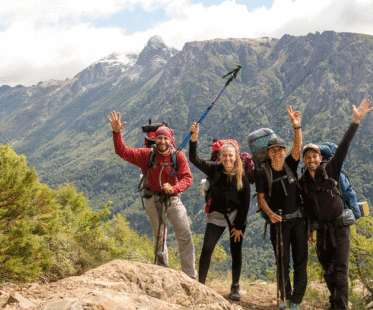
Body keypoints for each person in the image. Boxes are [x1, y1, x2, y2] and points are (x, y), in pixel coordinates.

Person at [299, 99, 373, 310]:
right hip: (322, 230)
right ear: (304, 161)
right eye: (308, 157)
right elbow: (308, 207)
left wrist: (355, 122)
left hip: (340, 227)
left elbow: (343, 147)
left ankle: (340, 307)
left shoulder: (329, 170)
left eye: (315, 156)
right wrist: (310, 229)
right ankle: (335, 303)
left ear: (320, 158)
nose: (311, 159)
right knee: (327, 269)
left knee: (341, 270)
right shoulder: (303, 181)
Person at [107, 111, 197, 279]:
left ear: (170, 140)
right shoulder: (146, 155)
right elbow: (122, 151)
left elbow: (187, 178)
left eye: (165, 138)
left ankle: (190, 276)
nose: (162, 141)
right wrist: (116, 132)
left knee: (184, 234)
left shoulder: (178, 157)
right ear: (155, 139)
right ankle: (164, 272)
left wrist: (175, 188)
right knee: (159, 237)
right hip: (152, 200)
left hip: (172, 199)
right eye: (159, 138)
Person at [188, 122, 250, 300]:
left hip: (236, 216)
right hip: (216, 215)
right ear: (220, 157)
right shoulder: (214, 169)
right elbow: (194, 159)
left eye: (230, 155)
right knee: (207, 249)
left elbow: (245, 203)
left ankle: (235, 287)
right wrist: (194, 139)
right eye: (224, 155)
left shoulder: (242, 176)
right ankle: (200, 285)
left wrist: (238, 226)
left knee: (235, 250)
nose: (227, 159)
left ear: (236, 156)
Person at [256, 106, 307, 310]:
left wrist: (297, 127)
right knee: (283, 263)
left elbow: (298, 146)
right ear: (268, 153)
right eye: (273, 150)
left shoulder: (290, 165)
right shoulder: (263, 172)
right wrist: (269, 214)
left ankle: (296, 300)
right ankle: (285, 298)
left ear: (284, 152)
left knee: (301, 262)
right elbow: (260, 198)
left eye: (280, 150)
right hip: (279, 223)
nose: (277, 153)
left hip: (298, 221)